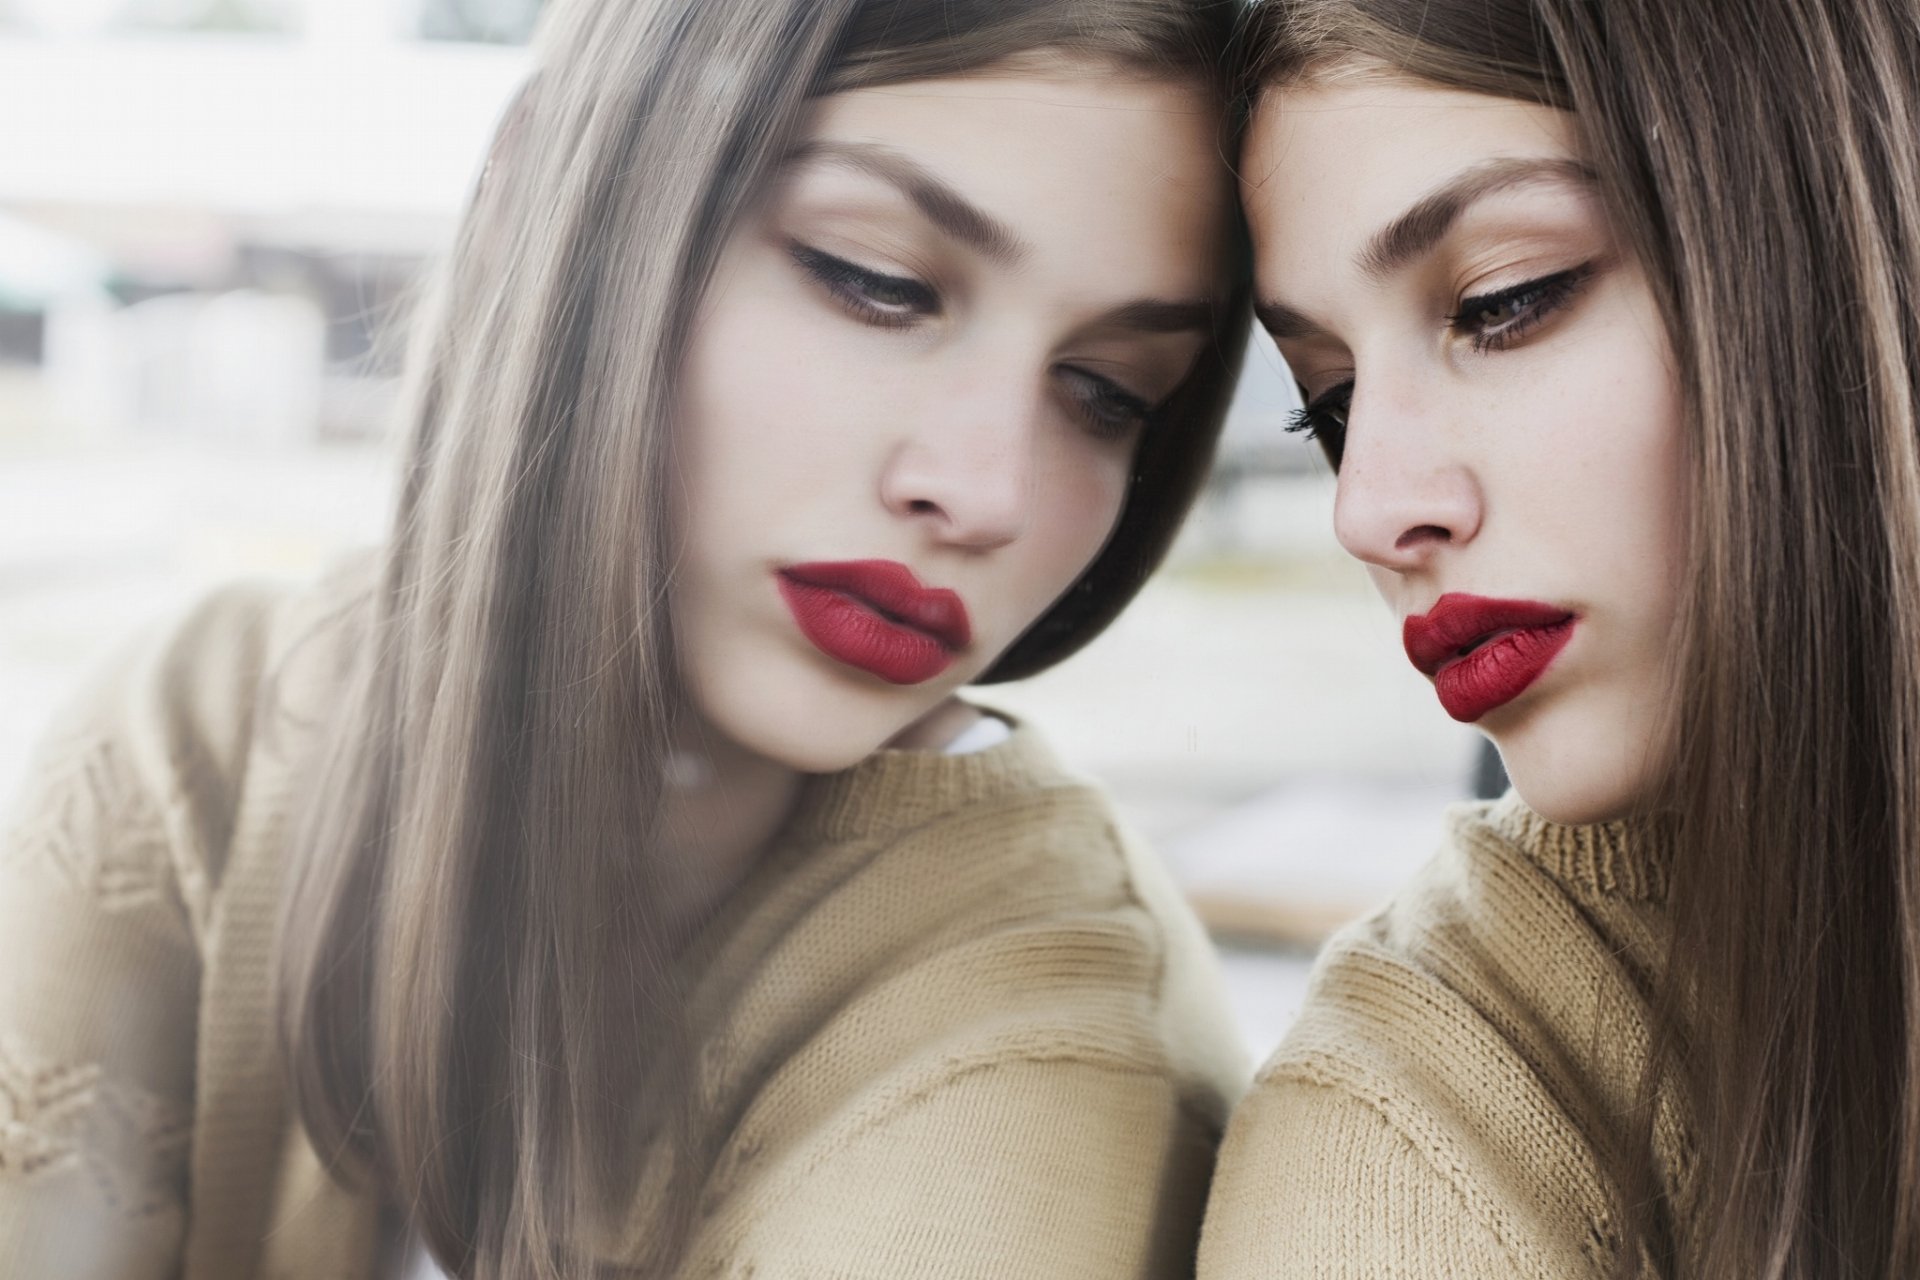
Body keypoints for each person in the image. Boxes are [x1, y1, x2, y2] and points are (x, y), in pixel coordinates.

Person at [0, 2, 1254, 1276]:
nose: (991, 491)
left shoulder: (1044, 1041)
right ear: (536, 194)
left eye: (1108, 392)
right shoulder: (200, 728)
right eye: (873, 280)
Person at [1204, 0, 1920, 1276]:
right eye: (1331, 404)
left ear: (1824, 227)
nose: (1365, 509)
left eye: (1503, 302)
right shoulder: (1412, 1122)